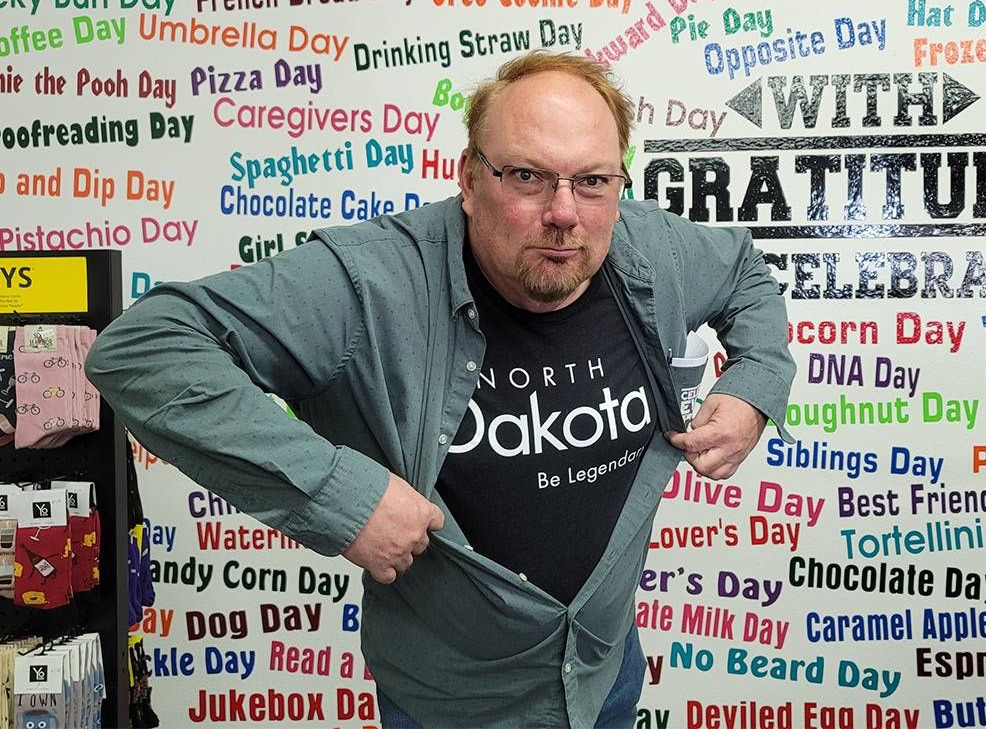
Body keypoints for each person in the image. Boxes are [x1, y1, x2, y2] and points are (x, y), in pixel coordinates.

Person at [86, 51, 796, 728]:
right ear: (468, 176)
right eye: (526, 176)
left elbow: (744, 274)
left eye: (592, 180)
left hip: (603, 675)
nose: (563, 212)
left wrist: (756, 381)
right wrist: (340, 494)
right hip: (449, 704)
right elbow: (143, 348)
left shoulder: (650, 249)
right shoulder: (369, 281)